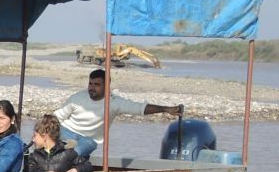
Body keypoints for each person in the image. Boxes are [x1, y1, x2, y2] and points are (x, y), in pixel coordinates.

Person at [51, 68, 183, 159]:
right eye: (90, 84)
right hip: (67, 131)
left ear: (106, 86)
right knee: (54, 135)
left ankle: (64, 159)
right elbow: (57, 116)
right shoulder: (78, 98)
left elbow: (139, 108)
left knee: (89, 145)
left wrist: (166, 109)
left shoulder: (114, 102)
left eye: (96, 84)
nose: (91, 88)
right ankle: (62, 153)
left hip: (87, 139)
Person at [24, 113, 92, 172]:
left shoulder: (67, 152)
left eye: (35, 136)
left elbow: (87, 165)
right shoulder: (34, 156)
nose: (33, 140)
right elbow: (31, 170)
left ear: (44, 136)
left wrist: (76, 170)